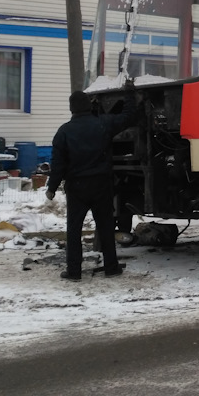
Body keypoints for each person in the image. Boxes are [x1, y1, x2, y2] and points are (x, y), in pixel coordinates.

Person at [47, 81, 139, 281]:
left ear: (71, 108)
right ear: (89, 106)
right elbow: (128, 117)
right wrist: (130, 94)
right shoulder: (103, 124)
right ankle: (111, 268)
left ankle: (74, 272)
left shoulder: (64, 132)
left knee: (74, 230)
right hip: (101, 185)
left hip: (77, 188)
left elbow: (58, 164)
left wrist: (51, 188)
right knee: (105, 227)